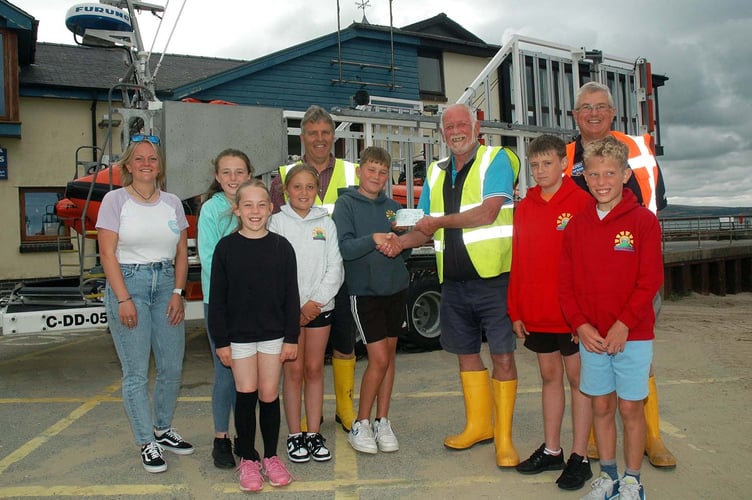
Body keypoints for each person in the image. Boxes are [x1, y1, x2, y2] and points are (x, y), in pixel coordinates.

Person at [396, 103, 521, 467]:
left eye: (461, 124)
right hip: (452, 282)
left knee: (502, 356)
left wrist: (438, 222)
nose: (455, 131)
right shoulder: (435, 173)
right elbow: (421, 225)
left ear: (475, 126)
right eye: (448, 126)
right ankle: (479, 426)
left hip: (494, 278)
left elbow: (488, 212)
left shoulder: (496, 159)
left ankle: (505, 438)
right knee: (466, 355)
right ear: (441, 133)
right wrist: (396, 243)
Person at [568, 81, 675, 469]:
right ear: (575, 116)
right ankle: (601, 444)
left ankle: (653, 436)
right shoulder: (565, 157)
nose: (593, 113)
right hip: (588, 283)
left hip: (636, 273)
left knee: (638, 361)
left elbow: (657, 202)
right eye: (585, 108)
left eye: (600, 106)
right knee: (594, 373)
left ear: (613, 113)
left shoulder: (639, 150)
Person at [559, 136, 663, 500]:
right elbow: (566, 284)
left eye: (610, 174)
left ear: (624, 175)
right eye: (594, 174)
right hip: (592, 337)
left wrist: (624, 324)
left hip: (632, 335)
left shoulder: (644, 222)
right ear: (584, 177)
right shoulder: (576, 227)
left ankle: (633, 480)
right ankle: (609, 476)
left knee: (631, 407)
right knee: (601, 405)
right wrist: (580, 325)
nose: (602, 181)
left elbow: (651, 279)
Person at [96, 135, 194, 473]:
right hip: (129, 283)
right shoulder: (114, 200)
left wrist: (178, 292)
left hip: (166, 282)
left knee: (172, 366)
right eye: (139, 159)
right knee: (136, 372)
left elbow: (182, 252)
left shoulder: (173, 203)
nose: (146, 164)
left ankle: (162, 428)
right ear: (127, 165)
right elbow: (107, 253)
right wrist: (123, 298)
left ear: (160, 165)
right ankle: (145, 441)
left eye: (152, 158)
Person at [508, 135, 594, 490]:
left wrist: (584, 317)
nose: (541, 171)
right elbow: (519, 260)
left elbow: (590, 264)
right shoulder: (525, 207)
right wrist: (515, 309)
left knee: (579, 381)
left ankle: (580, 456)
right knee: (549, 378)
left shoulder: (582, 202)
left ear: (563, 164)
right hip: (537, 311)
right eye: (535, 165)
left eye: (547, 164)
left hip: (571, 314)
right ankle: (553, 449)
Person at [271, 104, 359, 433]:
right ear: (302, 137)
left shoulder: (353, 172)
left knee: (345, 342)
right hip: (297, 282)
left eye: (325, 133)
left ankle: (345, 408)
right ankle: (310, 417)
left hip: (344, 271)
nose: (319, 139)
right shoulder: (283, 177)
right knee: (302, 362)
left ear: (333, 136)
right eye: (312, 133)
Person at [208, 180, 298, 492]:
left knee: (269, 395)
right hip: (239, 337)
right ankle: (247, 457)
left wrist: (291, 337)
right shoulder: (226, 248)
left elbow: (291, 296)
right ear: (236, 209)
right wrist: (221, 341)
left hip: (273, 335)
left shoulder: (282, 247)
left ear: (271, 208)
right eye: (248, 205)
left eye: (261, 205)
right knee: (245, 395)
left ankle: (271, 456)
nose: (255, 211)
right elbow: (217, 299)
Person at [332, 146, 410, 454]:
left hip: (396, 288)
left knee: (389, 358)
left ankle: (382, 420)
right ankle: (360, 423)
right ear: (359, 171)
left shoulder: (393, 207)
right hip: (365, 293)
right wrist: (375, 238)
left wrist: (403, 239)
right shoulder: (346, 204)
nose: (376, 176)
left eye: (382, 172)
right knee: (378, 359)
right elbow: (345, 249)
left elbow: (407, 248)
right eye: (371, 170)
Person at [269, 164, 344, 463]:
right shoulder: (276, 223)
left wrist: (315, 303)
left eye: (309, 187)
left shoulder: (326, 224)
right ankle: (294, 434)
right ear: (286, 191)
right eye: (297, 187)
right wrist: (293, 307)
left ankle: (313, 433)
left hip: (319, 309)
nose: (303, 193)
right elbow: (272, 270)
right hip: (287, 311)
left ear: (318, 191)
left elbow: (334, 267)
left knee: (314, 370)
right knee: (293, 371)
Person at [197, 149, 253, 469]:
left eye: (239, 171)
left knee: (249, 375)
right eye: (227, 172)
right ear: (218, 177)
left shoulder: (254, 206)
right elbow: (209, 260)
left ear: (248, 174)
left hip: (252, 305)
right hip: (219, 302)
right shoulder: (211, 210)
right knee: (225, 373)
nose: (233, 178)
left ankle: (244, 436)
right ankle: (221, 438)